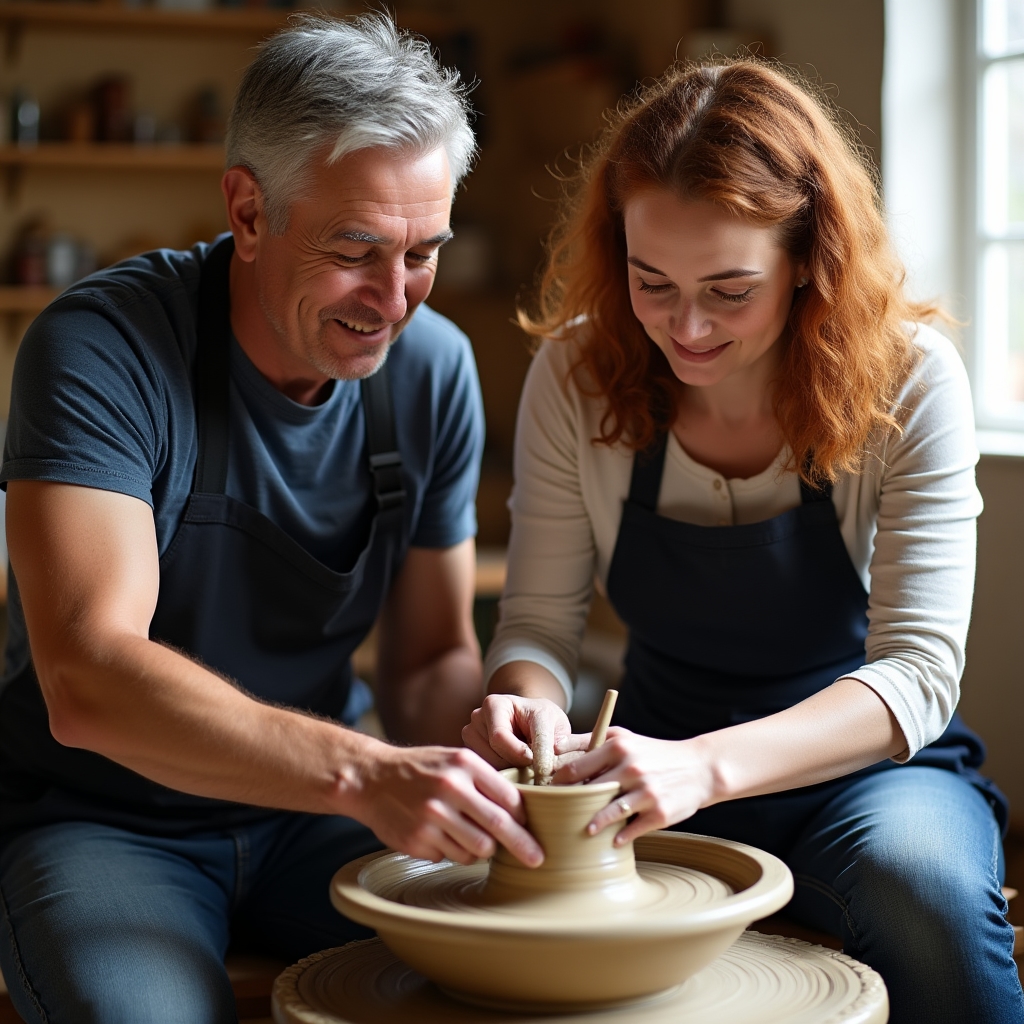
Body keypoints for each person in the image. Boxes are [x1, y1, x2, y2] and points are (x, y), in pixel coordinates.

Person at [0, 15, 543, 1024]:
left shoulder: (431, 375)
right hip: (106, 820)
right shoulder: (103, 351)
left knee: (512, 983)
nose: (393, 300)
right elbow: (86, 676)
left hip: (314, 818)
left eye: (423, 253)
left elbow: (426, 663)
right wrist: (364, 771)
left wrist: (493, 762)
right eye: (356, 251)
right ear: (248, 211)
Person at [464, 59, 1024, 1023]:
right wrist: (525, 705)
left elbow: (920, 674)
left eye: (730, 289)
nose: (686, 326)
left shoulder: (911, 381)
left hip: (866, 771)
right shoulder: (577, 375)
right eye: (652, 282)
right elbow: (539, 626)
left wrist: (706, 768)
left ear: (810, 254)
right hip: (644, 765)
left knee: (920, 893)